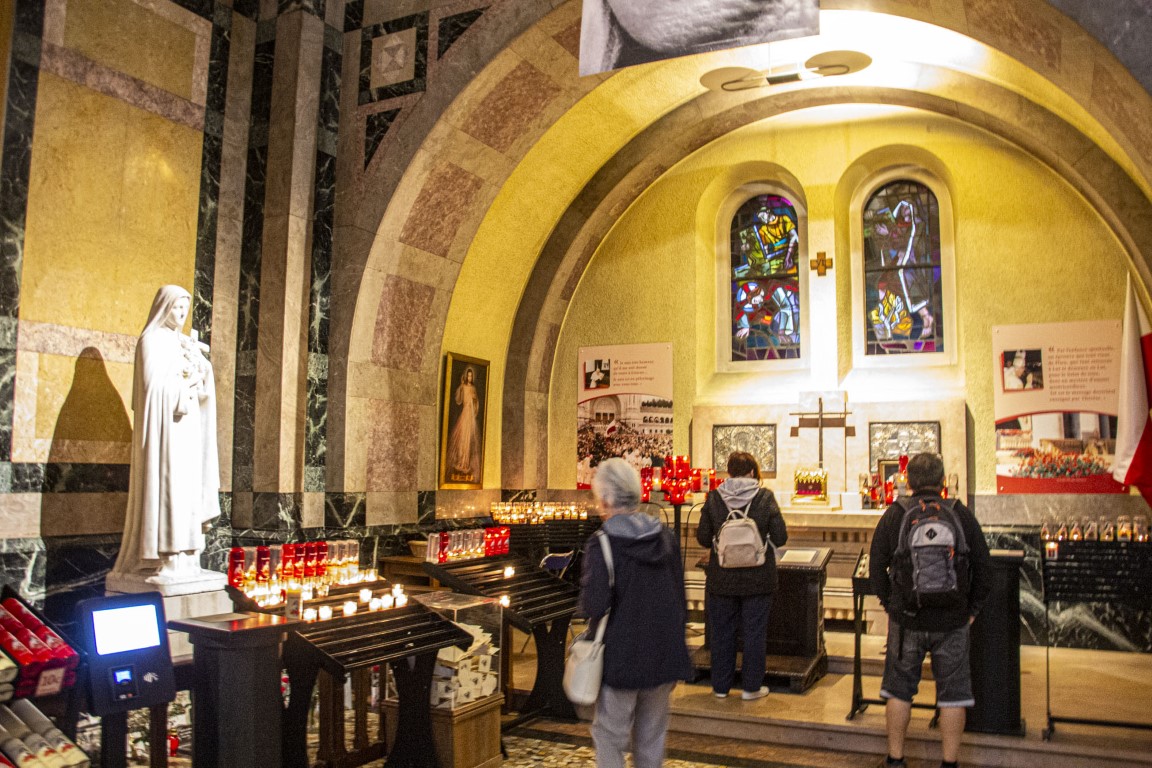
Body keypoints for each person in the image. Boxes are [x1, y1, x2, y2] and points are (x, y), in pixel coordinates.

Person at [868, 453, 991, 768]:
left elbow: (875, 567)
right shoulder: (959, 513)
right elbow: (984, 568)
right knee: (953, 695)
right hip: (952, 620)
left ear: (907, 481)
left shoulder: (896, 514)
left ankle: (896, 759)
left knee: (899, 690)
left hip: (907, 620)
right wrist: (970, 611)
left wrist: (892, 606)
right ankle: (949, 763)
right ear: (943, 481)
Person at [579, 458, 693, 768]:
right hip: (663, 653)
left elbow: (594, 604)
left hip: (621, 656)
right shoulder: (665, 537)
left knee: (610, 736)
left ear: (605, 499)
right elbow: (679, 598)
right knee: (652, 738)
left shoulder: (603, 543)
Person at [110, 285, 221, 585]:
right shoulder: (151, 340)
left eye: (185, 308)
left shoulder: (182, 342)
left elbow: (202, 385)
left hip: (187, 429)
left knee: (188, 490)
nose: (182, 314)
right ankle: (166, 557)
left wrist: (201, 369)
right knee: (169, 490)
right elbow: (150, 388)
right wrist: (184, 382)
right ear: (164, 308)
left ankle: (188, 557)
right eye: (176, 307)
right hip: (165, 432)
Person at [694, 451, 788, 700]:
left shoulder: (714, 497)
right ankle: (751, 688)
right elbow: (780, 537)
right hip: (758, 578)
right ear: (752, 472)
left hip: (722, 578)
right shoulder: (764, 497)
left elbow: (703, 537)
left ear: (729, 472)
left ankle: (720, 687)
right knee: (754, 634)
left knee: (722, 633)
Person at [446, 366, 481, 480]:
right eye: (468, 376)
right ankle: (461, 461)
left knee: (468, 440)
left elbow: (476, 402)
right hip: (465, 414)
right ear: (466, 376)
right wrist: (461, 386)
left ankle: (466, 462)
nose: (469, 378)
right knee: (462, 439)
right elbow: (459, 399)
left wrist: (474, 401)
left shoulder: (473, 388)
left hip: (470, 415)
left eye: (471, 376)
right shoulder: (464, 386)